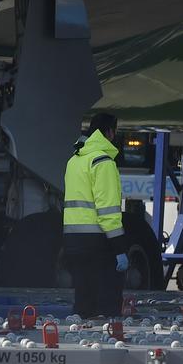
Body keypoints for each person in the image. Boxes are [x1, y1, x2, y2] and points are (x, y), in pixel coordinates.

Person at [62, 113, 129, 318]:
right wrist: (119, 248)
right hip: (97, 241)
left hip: (73, 238)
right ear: (109, 132)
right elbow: (107, 211)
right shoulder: (103, 162)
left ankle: (83, 337)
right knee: (107, 302)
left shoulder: (74, 160)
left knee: (84, 298)